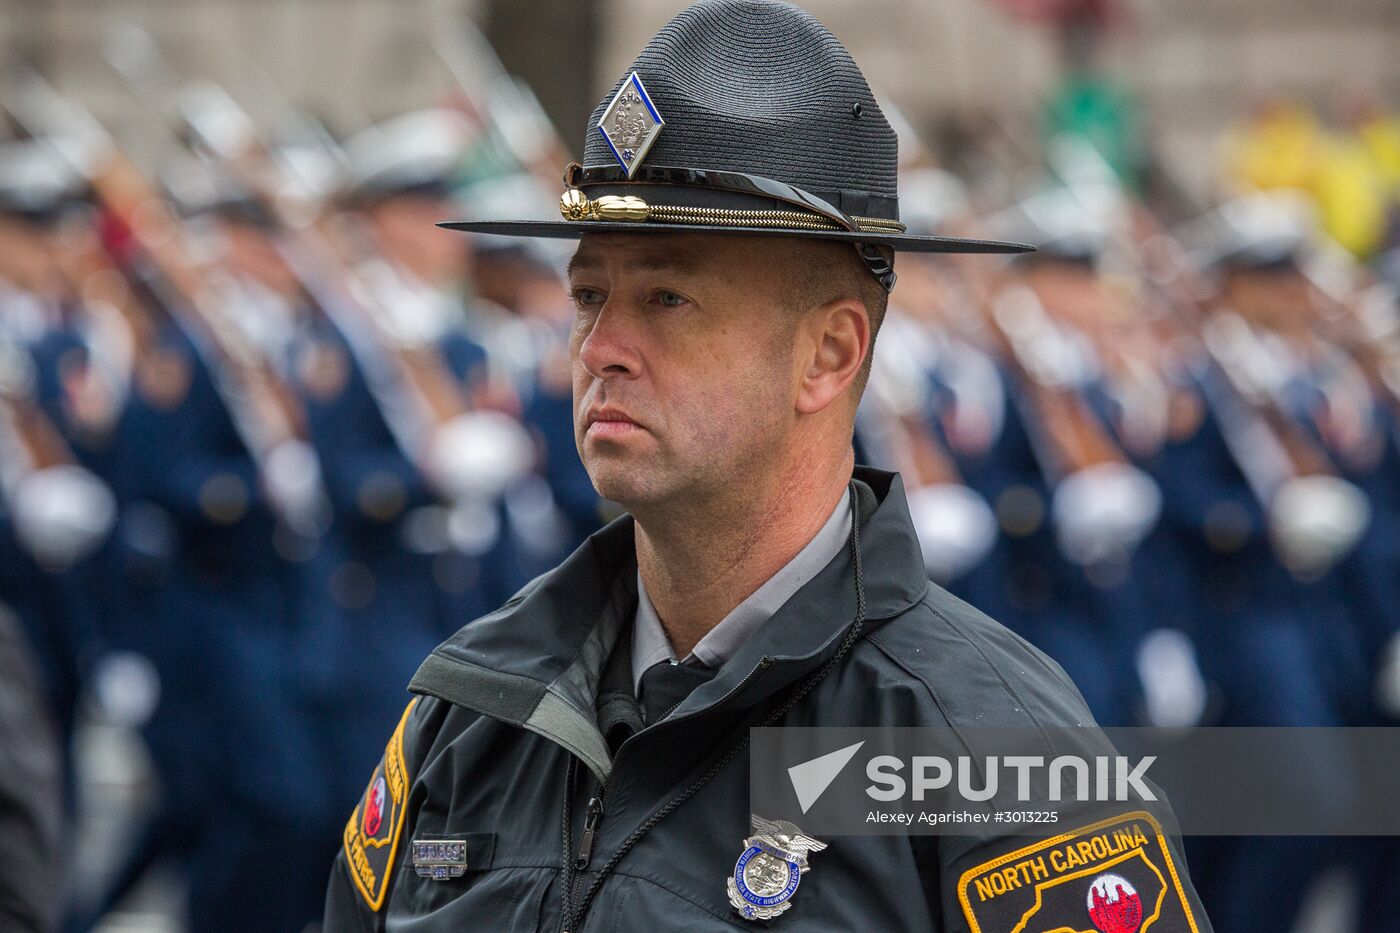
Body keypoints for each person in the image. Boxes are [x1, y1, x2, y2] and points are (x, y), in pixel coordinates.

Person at [323, 2, 1211, 930]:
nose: (599, 348)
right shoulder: (473, 707)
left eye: (668, 296)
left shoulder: (995, 755)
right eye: (589, 294)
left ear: (827, 355)